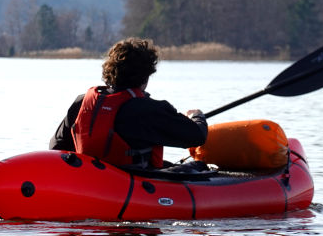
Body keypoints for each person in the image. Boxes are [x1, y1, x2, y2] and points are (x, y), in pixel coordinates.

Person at [49, 38, 207, 169]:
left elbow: (56, 147)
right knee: (200, 167)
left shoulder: (82, 102)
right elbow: (197, 136)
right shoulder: (148, 109)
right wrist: (196, 116)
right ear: (145, 77)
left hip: (91, 182)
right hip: (133, 187)